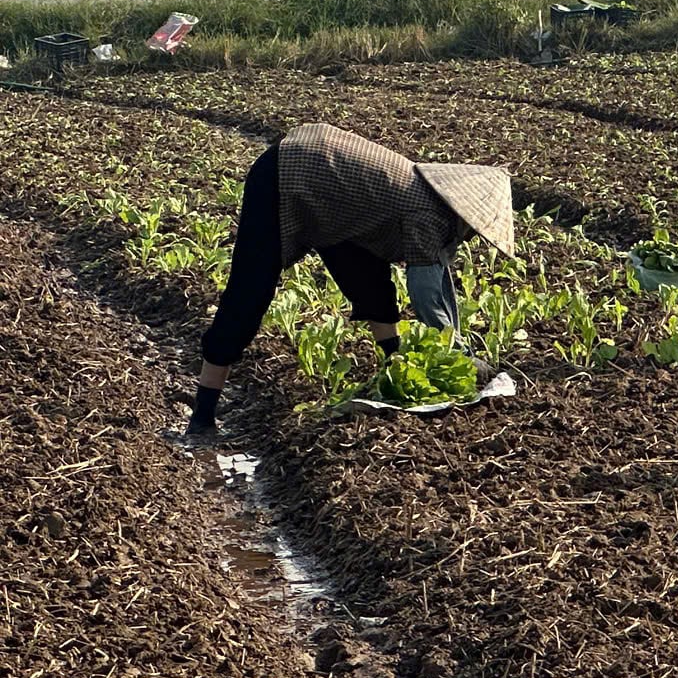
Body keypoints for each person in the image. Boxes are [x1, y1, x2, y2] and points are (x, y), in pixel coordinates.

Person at [185, 123, 515, 440]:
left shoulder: (434, 201)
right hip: (287, 173)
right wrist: (458, 354)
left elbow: (439, 281)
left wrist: (459, 347)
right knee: (250, 290)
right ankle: (203, 416)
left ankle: (393, 367)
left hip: (331, 187)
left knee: (371, 281)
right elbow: (426, 292)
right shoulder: (427, 213)